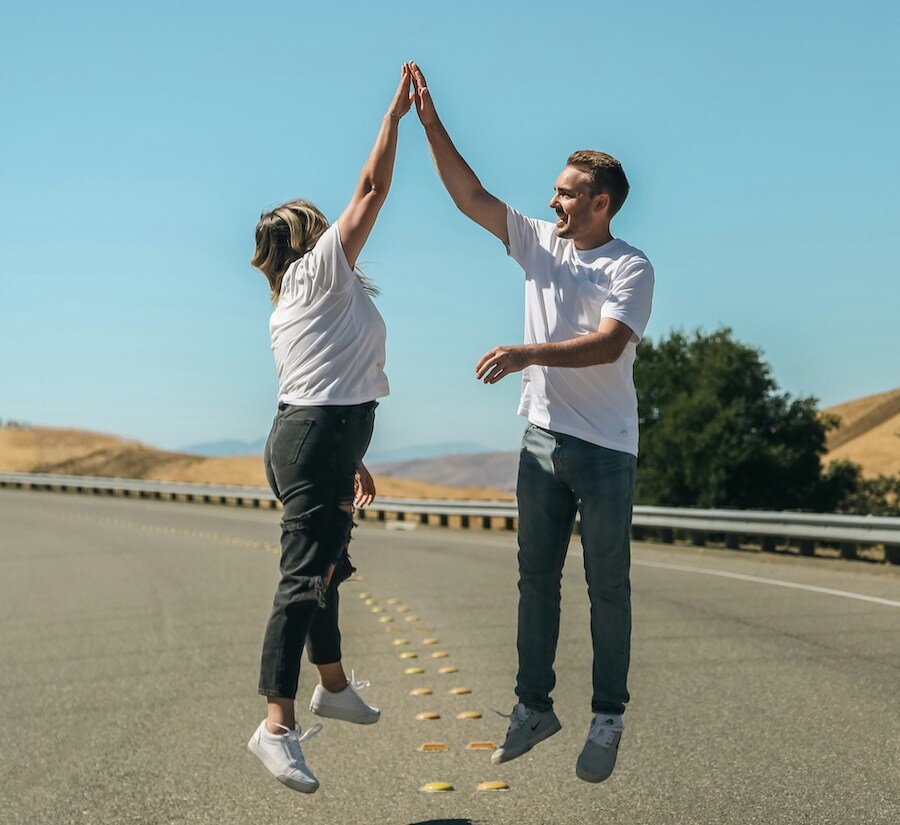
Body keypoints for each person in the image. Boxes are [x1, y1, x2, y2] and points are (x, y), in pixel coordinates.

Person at [409, 63, 654, 783]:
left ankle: (607, 713)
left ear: (600, 203)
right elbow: (471, 195)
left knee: (607, 586)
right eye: (554, 190)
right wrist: (430, 124)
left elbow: (610, 343)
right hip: (540, 441)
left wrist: (525, 353)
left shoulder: (629, 268)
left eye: (567, 192)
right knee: (533, 579)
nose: (553, 201)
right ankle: (532, 706)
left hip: (607, 448)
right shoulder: (539, 242)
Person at [246, 64, 415, 794]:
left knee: (323, 571)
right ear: (310, 239)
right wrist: (394, 117)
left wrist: (353, 457)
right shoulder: (318, 275)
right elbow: (373, 187)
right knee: (300, 580)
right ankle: (274, 725)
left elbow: (330, 384)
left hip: (310, 436)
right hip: (314, 437)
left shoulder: (293, 297)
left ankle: (334, 684)